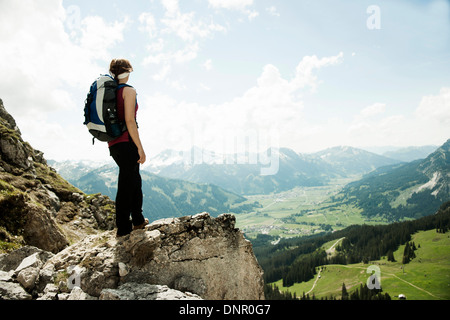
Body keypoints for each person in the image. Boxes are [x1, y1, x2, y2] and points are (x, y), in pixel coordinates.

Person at [108, 58, 148, 237]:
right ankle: (125, 227)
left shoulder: (111, 92)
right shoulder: (128, 91)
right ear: (127, 71)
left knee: (131, 180)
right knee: (128, 183)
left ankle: (136, 220)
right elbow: (130, 121)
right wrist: (140, 147)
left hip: (114, 143)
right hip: (127, 141)